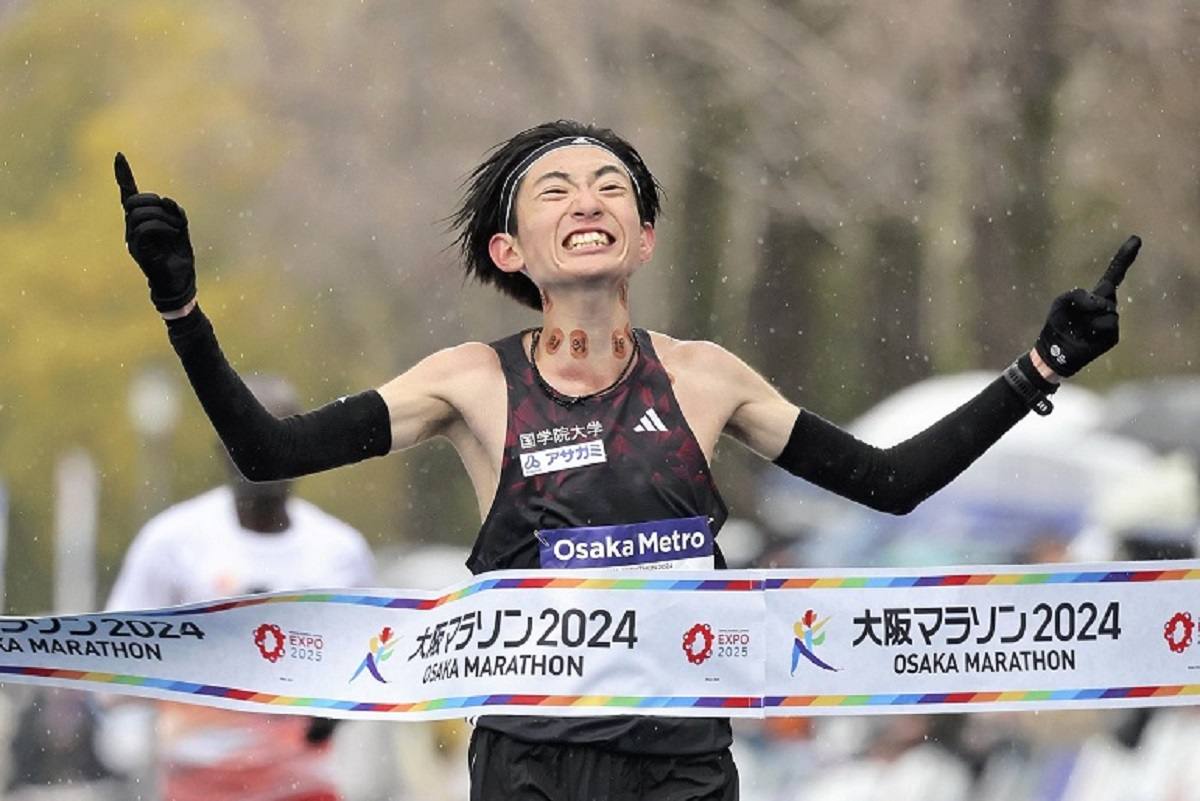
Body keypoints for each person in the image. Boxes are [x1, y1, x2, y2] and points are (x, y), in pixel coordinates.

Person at [113, 120, 1140, 801]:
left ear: (644, 238)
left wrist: (1038, 366)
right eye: (553, 188)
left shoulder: (706, 379)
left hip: (681, 762)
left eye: (610, 185)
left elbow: (892, 482)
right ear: (511, 251)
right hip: (531, 765)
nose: (585, 197)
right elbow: (267, 447)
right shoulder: (471, 383)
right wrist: (181, 309)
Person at [106, 375, 376, 801]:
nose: (260, 452)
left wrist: (333, 708)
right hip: (198, 785)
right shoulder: (172, 542)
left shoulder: (341, 552)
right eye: (244, 438)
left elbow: (373, 669)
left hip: (302, 786)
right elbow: (113, 659)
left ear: (306, 448)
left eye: (275, 436)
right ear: (221, 450)